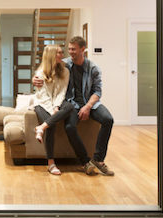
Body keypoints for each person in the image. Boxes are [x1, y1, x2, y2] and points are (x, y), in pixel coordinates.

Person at [33, 36, 115, 176]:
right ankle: (85, 162)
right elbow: (47, 66)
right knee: (70, 127)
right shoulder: (65, 64)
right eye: (69, 49)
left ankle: (98, 160)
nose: (70, 52)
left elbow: (97, 92)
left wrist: (88, 107)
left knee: (108, 119)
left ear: (83, 49)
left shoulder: (93, 68)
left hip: (90, 104)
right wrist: (34, 79)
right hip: (72, 103)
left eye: (73, 49)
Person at [33, 44, 74, 175]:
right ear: (51, 55)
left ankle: (41, 128)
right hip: (41, 104)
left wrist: (57, 106)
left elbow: (62, 92)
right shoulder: (40, 73)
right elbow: (43, 96)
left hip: (57, 103)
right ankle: (51, 163)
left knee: (70, 106)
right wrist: (52, 111)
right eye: (59, 53)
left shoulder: (65, 71)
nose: (62, 55)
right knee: (52, 126)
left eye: (62, 52)